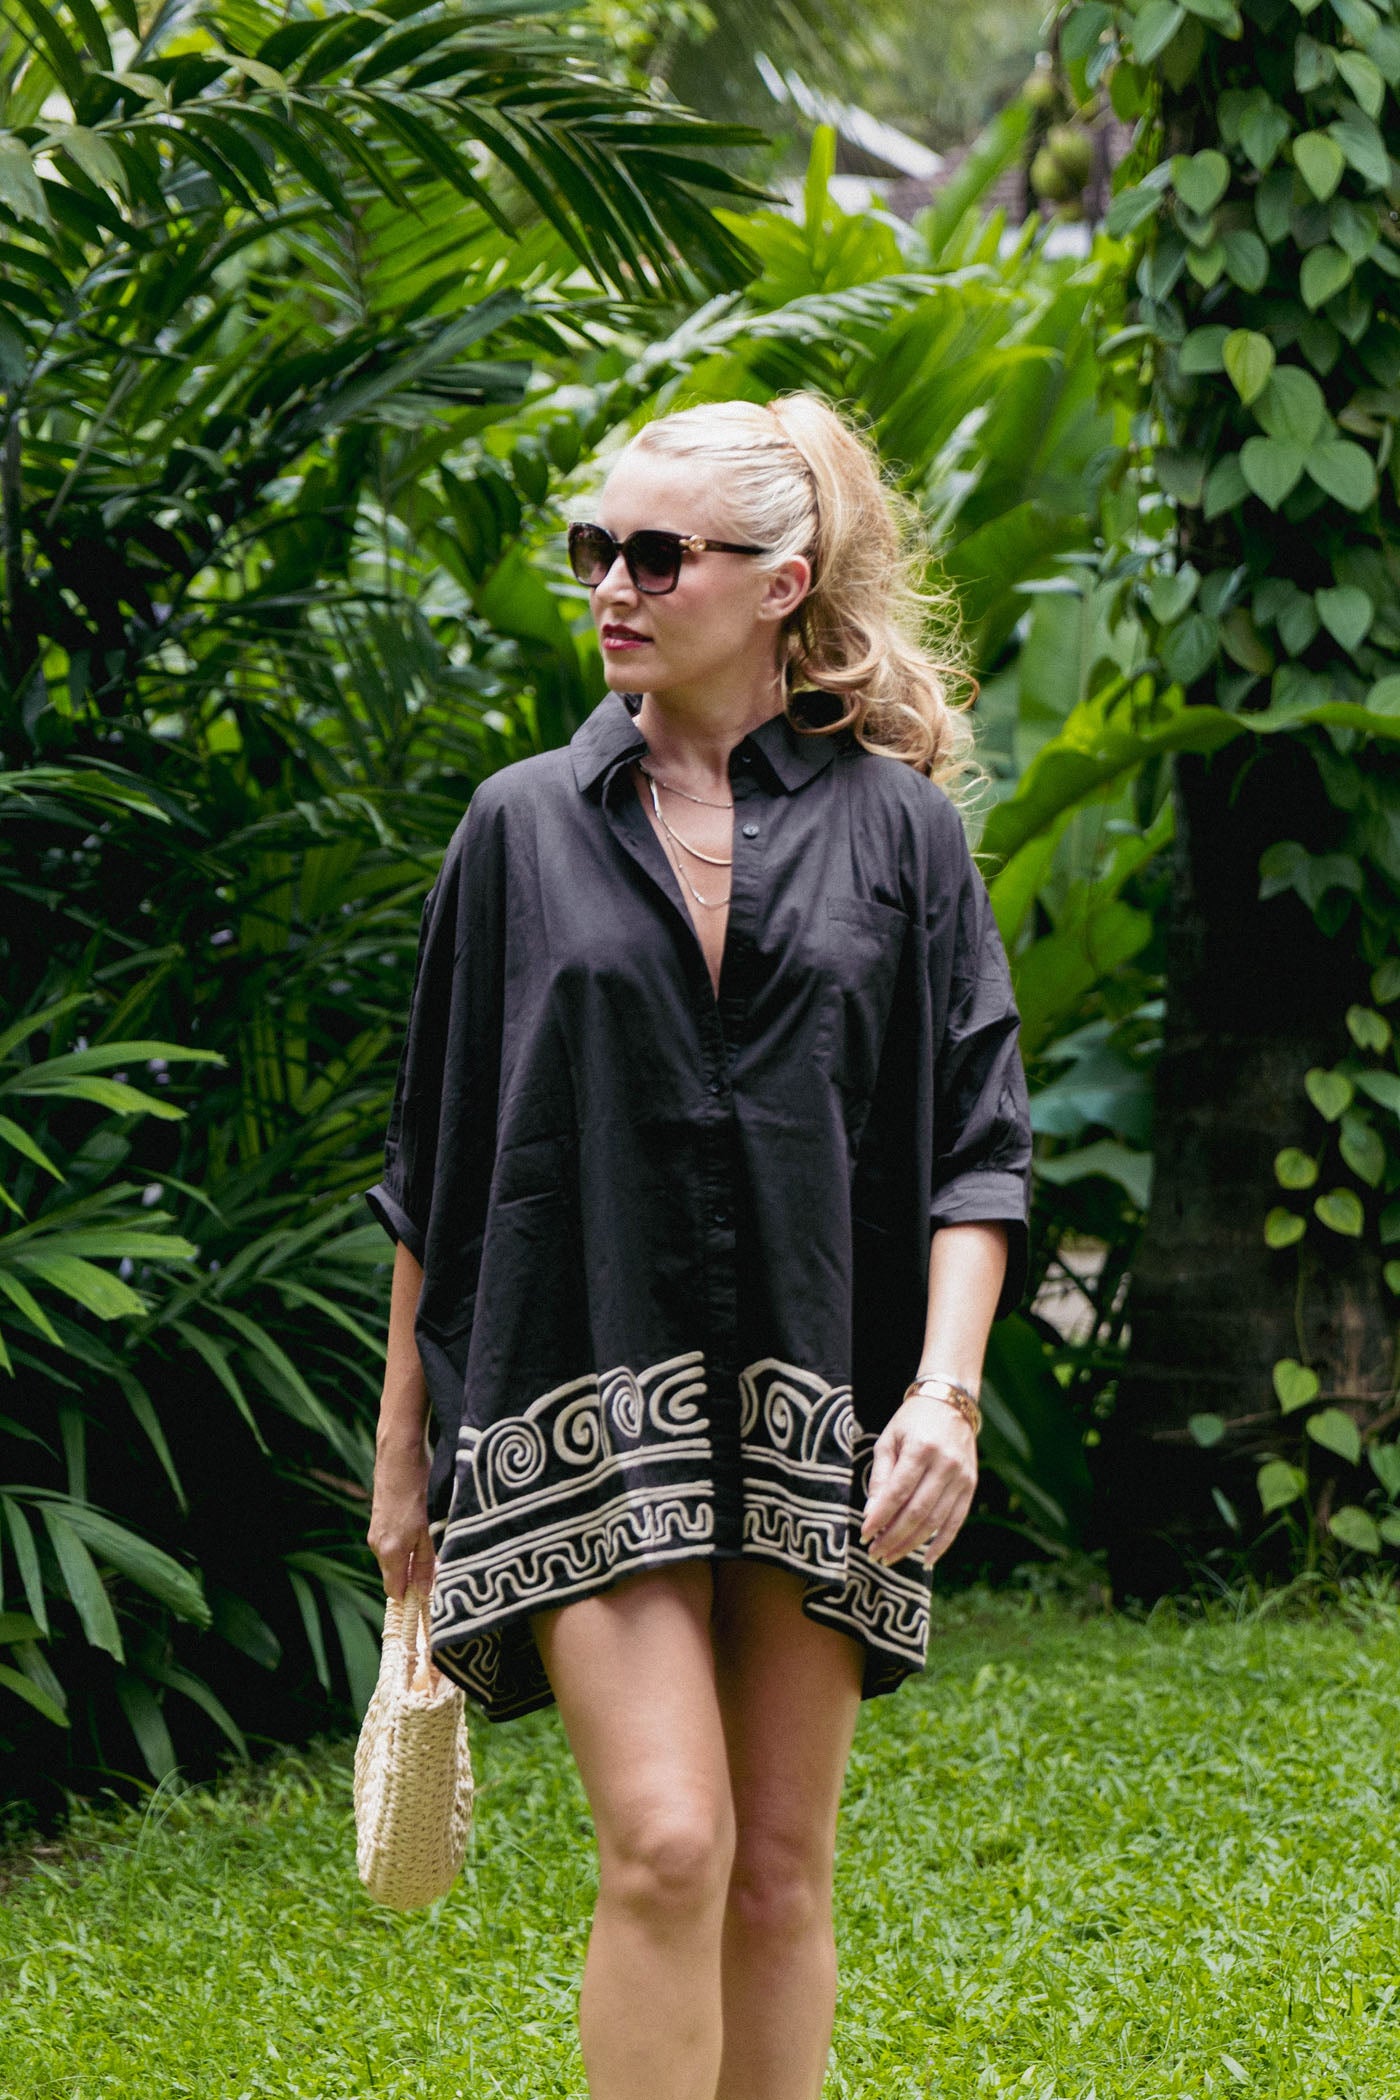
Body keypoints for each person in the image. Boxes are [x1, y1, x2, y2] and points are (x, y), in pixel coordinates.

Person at [365, 393, 1032, 2100]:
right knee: (670, 1842)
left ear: (781, 582)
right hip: (575, 1395)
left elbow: (976, 1145)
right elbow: (439, 1163)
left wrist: (945, 1395)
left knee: (782, 1870)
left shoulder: (902, 835)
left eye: (657, 556)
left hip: (828, 1408)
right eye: (597, 548)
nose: (612, 585)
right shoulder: (518, 827)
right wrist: (400, 1460)